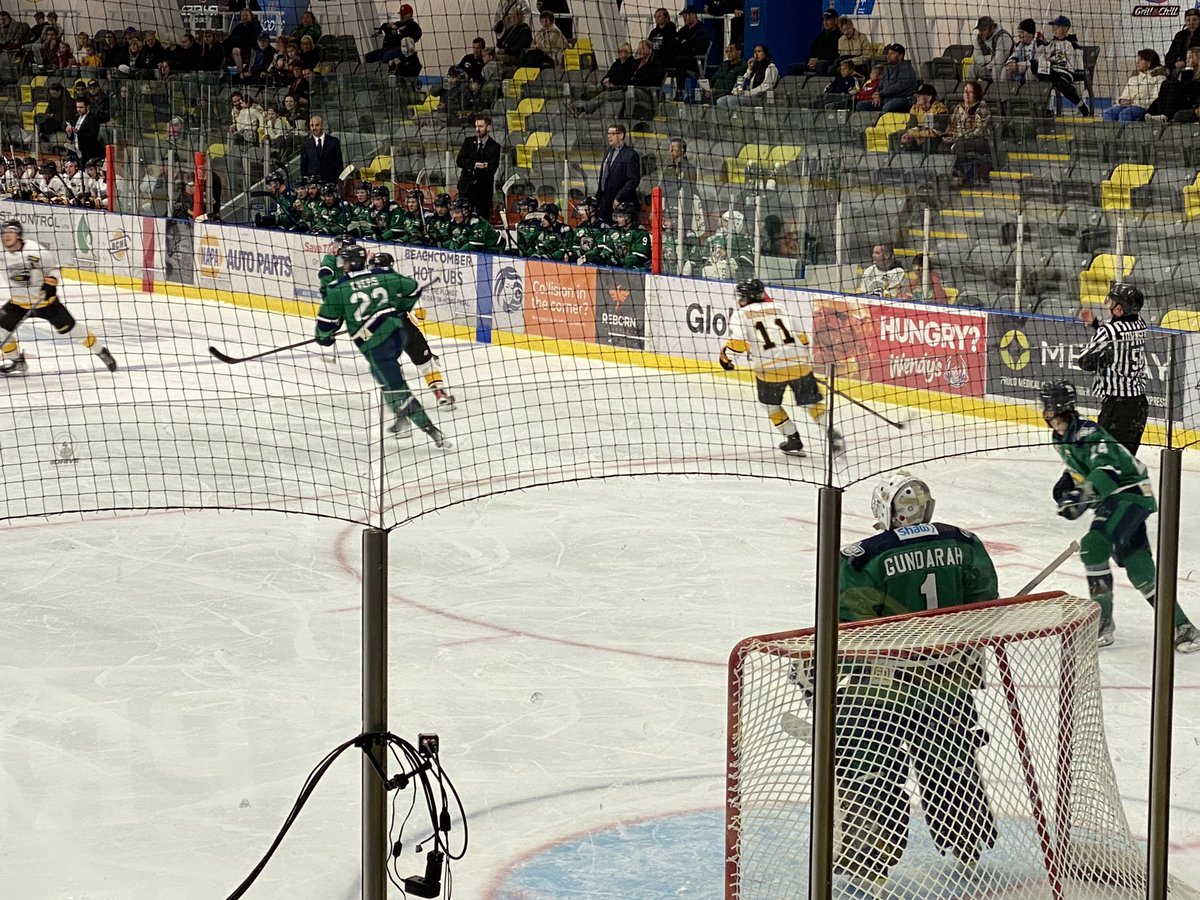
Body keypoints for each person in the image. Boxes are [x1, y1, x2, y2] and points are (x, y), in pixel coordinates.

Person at [831, 471, 999, 890]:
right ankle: (966, 836)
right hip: (950, 681)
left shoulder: (862, 557)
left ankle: (868, 852)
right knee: (951, 762)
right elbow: (986, 604)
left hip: (885, 686)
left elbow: (853, 626)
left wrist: (825, 674)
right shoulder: (964, 542)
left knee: (868, 762)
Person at [1039, 381, 1198, 652]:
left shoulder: (1088, 432)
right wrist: (1069, 484)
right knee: (1138, 566)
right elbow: (1083, 469)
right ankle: (1184, 627)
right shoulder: (1061, 439)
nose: (1043, 411)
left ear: (1056, 408)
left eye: (1046, 405)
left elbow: (1108, 470)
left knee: (1093, 545)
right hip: (1112, 498)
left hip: (1129, 494)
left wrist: (1082, 496)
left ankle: (1102, 625)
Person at [314, 242, 448, 448]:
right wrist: (399, 308)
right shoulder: (383, 276)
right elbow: (413, 289)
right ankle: (402, 416)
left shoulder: (337, 289)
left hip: (377, 346)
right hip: (399, 334)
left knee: (395, 387)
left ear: (349, 263)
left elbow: (325, 324)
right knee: (384, 378)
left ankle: (432, 431)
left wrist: (325, 338)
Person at [718, 278, 845, 456]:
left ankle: (793, 440)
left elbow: (738, 343)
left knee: (770, 405)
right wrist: (796, 361)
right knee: (811, 403)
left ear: (744, 297)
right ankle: (832, 434)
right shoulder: (780, 308)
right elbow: (803, 339)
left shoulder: (741, 314)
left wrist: (725, 358)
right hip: (799, 364)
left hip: (769, 370)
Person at [0, 219, 118, 376]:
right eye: (3, 233)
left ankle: (101, 351)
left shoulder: (36, 251)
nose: (6, 236)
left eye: (10, 232)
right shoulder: (1, 253)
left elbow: (54, 270)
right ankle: (17, 362)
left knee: (74, 331)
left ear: (19, 235)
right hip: (18, 304)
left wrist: (50, 284)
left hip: (45, 303)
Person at [368, 250, 456, 409]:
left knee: (387, 366)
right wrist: (410, 311)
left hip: (378, 331)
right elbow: (421, 314)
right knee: (427, 364)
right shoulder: (403, 282)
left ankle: (397, 402)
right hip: (404, 328)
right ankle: (440, 396)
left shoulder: (364, 286)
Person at [1076, 283, 1149, 455]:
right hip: (1139, 404)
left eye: (1113, 302)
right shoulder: (1140, 323)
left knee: (1106, 461)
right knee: (1126, 461)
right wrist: (1095, 324)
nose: (1108, 306)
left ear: (1120, 309)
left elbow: (1084, 362)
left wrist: (1099, 357)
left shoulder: (1109, 331)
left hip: (1117, 408)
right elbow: (1118, 332)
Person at [1032, 16, 1089, 117]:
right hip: (1050, 71)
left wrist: (1080, 86)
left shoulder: (1072, 45)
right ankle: (1080, 104)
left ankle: (1048, 108)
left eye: (1057, 27)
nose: (1054, 30)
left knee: (1054, 80)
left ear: (1065, 29)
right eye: (1054, 27)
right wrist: (1040, 45)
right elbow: (1041, 58)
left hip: (1066, 73)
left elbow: (1078, 66)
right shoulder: (1051, 44)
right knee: (1034, 65)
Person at [943, 80, 992, 187]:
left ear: (976, 94)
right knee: (941, 145)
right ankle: (946, 175)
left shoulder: (981, 107)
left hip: (979, 140)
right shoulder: (958, 108)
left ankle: (961, 174)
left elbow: (979, 130)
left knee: (960, 145)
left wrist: (959, 137)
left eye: (970, 92)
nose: (967, 94)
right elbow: (952, 125)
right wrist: (949, 135)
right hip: (958, 139)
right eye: (965, 91)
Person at [455, 114, 501, 218]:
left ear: (488, 127)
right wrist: (475, 165)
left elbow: (491, 168)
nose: (477, 129)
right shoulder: (468, 142)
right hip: (466, 189)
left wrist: (469, 166)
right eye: (476, 126)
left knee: (482, 219)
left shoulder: (495, 147)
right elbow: (459, 161)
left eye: (480, 126)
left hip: (483, 191)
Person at [595, 123, 641, 224]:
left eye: (612, 134)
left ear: (621, 135)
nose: (609, 136)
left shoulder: (630, 155)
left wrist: (619, 197)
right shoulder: (608, 151)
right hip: (604, 201)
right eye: (608, 133)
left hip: (619, 204)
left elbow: (633, 180)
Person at [1103, 49, 1165, 123]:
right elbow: (1124, 94)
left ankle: (1126, 134)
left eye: (1141, 60)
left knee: (1125, 114)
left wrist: (1134, 102)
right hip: (1128, 106)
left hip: (1144, 108)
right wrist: (1121, 100)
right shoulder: (1134, 76)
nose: (1137, 62)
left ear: (1149, 62)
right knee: (1108, 113)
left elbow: (1155, 100)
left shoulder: (1160, 77)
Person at [717, 43, 778, 108]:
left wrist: (748, 93)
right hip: (750, 96)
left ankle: (735, 117)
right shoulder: (755, 69)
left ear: (765, 54)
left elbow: (767, 86)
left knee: (731, 100)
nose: (756, 54)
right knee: (721, 101)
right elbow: (741, 81)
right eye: (755, 52)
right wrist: (749, 69)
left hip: (762, 98)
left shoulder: (771, 67)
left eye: (759, 51)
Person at [859, 43, 916, 113]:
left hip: (902, 98)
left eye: (892, 53)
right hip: (886, 97)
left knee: (887, 107)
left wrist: (881, 94)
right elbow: (881, 85)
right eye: (888, 53)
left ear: (900, 56)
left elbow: (898, 88)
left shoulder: (906, 69)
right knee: (861, 106)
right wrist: (877, 94)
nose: (888, 56)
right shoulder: (887, 68)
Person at [898, 83, 948, 152]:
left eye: (920, 95)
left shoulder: (940, 109)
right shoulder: (915, 108)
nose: (917, 97)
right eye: (917, 95)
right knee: (901, 136)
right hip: (919, 137)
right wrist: (908, 135)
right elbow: (911, 126)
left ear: (929, 97)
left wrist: (913, 133)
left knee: (929, 142)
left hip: (935, 140)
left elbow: (935, 133)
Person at [300, 116, 344, 183]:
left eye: (317, 125)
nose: (314, 128)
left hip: (330, 183)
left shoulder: (334, 142)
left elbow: (338, 164)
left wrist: (338, 182)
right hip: (313, 185)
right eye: (312, 126)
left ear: (322, 125)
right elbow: (303, 166)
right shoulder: (306, 144)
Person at [969, 16, 1013, 83]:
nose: (980, 33)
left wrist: (986, 66)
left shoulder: (1003, 37)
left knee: (996, 67)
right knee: (972, 68)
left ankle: (998, 91)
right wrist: (990, 58)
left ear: (992, 28)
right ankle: (970, 90)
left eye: (983, 30)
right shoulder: (979, 38)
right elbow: (977, 58)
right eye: (979, 30)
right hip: (988, 68)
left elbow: (999, 60)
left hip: (1005, 69)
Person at [1000, 19, 1040, 85]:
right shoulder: (1019, 45)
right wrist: (1011, 63)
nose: (1019, 35)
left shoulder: (1039, 45)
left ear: (1030, 33)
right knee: (1006, 69)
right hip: (1020, 70)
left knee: (1030, 72)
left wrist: (1019, 66)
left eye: (1022, 32)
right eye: (1019, 32)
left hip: (1033, 71)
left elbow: (1037, 62)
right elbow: (1013, 56)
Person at [805, 9, 841, 76]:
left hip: (830, 63)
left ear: (836, 21)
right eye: (824, 20)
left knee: (820, 65)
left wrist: (818, 60)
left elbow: (835, 54)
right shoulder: (821, 36)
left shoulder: (840, 36)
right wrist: (810, 60)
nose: (825, 22)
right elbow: (811, 50)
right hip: (816, 63)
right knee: (793, 67)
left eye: (828, 20)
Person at [1166, 8, 1200, 76]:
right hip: (1179, 69)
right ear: (1185, 21)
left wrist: (1185, 63)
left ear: (1199, 20)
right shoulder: (1180, 35)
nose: (1191, 23)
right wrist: (1174, 63)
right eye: (1188, 20)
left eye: (1194, 20)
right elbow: (1169, 56)